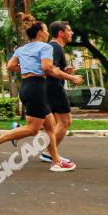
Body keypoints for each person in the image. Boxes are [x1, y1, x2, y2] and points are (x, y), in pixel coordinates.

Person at [0, 14, 83, 172]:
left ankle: (56, 161)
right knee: (32, 129)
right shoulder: (46, 47)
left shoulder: (22, 48)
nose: (47, 34)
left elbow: (10, 65)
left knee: (50, 126)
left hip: (27, 86)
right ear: (39, 33)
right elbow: (47, 68)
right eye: (45, 31)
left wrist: (27, 69)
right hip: (37, 88)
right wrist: (70, 77)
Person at [40, 21, 77, 163]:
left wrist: (64, 71)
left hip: (49, 87)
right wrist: (71, 77)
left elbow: (53, 68)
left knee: (52, 123)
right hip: (54, 87)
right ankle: (49, 153)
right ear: (61, 33)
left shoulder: (54, 47)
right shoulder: (55, 47)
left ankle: (49, 153)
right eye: (69, 30)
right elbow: (50, 69)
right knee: (65, 121)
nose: (72, 33)